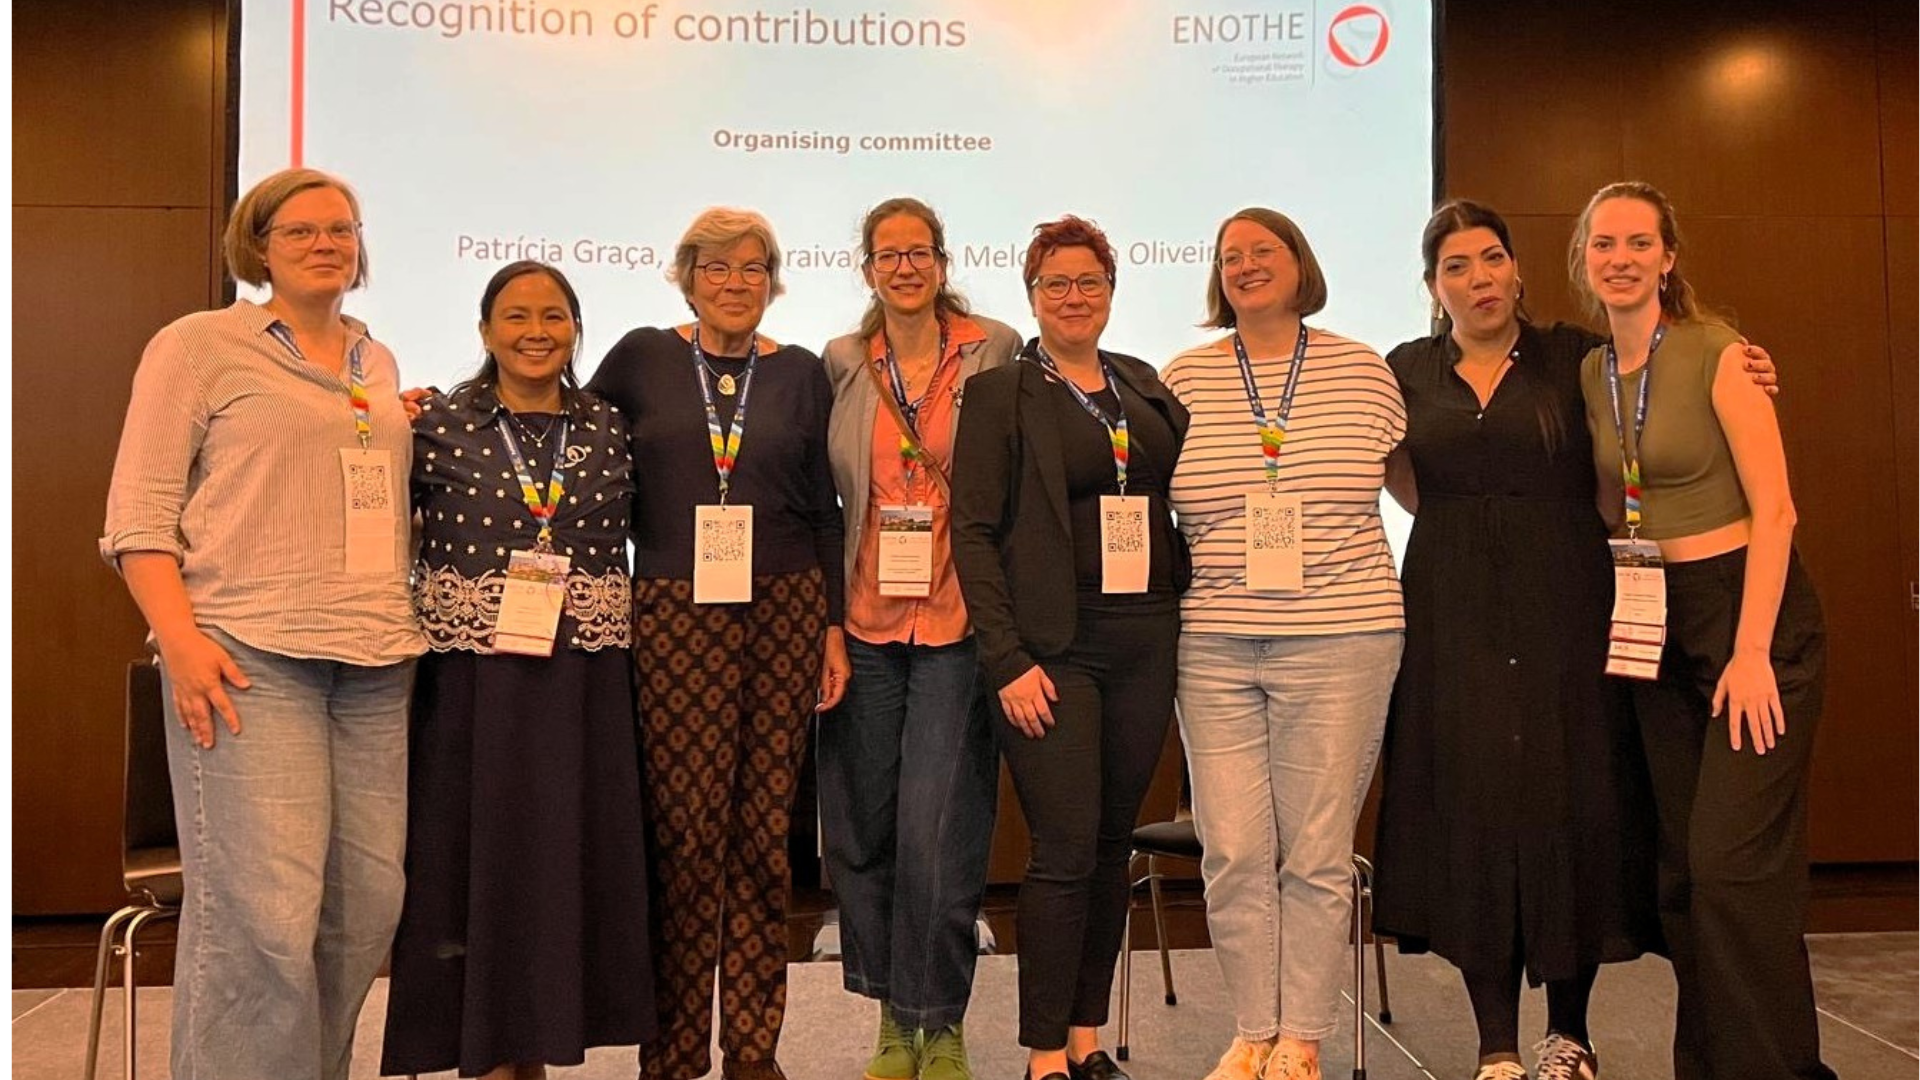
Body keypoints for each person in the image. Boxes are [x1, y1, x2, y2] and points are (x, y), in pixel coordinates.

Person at [1369, 199, 1775, 1080]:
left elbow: (1657, 396)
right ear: (1433, 286)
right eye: (1455, 267)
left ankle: (1568, 1034)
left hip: (1570, 601)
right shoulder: (1404, 370)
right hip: (1451, 608)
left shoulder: (1575, 359)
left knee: (1572, 799)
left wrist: (1748, 367)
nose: (1478, 279)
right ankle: (1495, 1045)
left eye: (1491, 259)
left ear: (1518, 269)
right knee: (1472, 805)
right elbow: (1399, 477)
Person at [99, 167, 422, 1080]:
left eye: (341, 229)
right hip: (247, 657)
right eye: (300, 231)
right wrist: (181, 643)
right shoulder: (198, 346)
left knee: (364, 912)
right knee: (264, 923)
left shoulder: (374, 361)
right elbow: (137, 517)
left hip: (374, 659)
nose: (326, 244)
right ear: (259, 248)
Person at [1573, 181, 1831, 1080]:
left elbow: (1778, 511)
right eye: (1604, 244)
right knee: (1683, 873)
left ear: (1668, 257)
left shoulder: (1719, 353)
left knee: (1732, 867)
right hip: (1655, 616)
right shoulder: (1592, 373)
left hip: (1748, 616)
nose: (1621, 259)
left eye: (1639, 243)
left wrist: (1752, 651)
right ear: (1585, 259)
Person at [586, 207, 851, 1080]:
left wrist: (832, 626)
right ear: (686, 277)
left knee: (762, 834)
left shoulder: (801, 371)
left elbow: (824, 509)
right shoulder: (641, 358)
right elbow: (573, 449)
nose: (735, 284)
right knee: (685, 832)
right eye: (716, 268)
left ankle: (753, 1051)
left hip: (786, 607)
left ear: (773, 281)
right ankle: (670, 1052)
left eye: (752, 269)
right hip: (674, 608)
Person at [380, 261, 655, 1079]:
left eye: (553, 316)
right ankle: (489, 1052)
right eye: (516, 316)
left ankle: (539, 1043)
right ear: (484, 330)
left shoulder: (611, 425)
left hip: (585, 685)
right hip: (475, 689)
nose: (536, 332)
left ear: (576, 328)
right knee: (481, 862)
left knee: (562, 862)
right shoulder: (435, 424)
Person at [1161, 208, 1405, 1080]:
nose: (1246, 265)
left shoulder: (1364, 371)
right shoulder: (1183, 378)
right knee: (1231, 852)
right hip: (1214, 643)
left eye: (1264, 250)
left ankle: (1302, 1037)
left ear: (1300, 263)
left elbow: (1419, 483)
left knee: (1315, 853)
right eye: (1230, 255)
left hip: (1342, 637)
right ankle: (1253, 1030)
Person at [951, 215, 1188, 1080]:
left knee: (1111, 844)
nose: (1074, 296)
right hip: (1053, 651)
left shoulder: (1142, 384)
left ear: (1111, 292)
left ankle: (1088, 1039)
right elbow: (974, 534)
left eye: (1090, 281)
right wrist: (1006, 660)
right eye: (1057, 283)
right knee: (1062, 847)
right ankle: (1044, 1053)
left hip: (1145, 640)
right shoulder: (999, 393)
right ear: (1032, 297)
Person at [818, 197, 1021, 1080]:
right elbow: (822, 494)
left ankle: (939, 1022)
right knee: (862, 829)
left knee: (939, 833)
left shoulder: (994, 349)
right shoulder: (840, 362)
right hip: (865, 623)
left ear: (942, 262)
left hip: (956, 623)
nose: (904, 267)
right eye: (887, 254)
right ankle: (892, 1017)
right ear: (867, 268)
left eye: (919, 252)